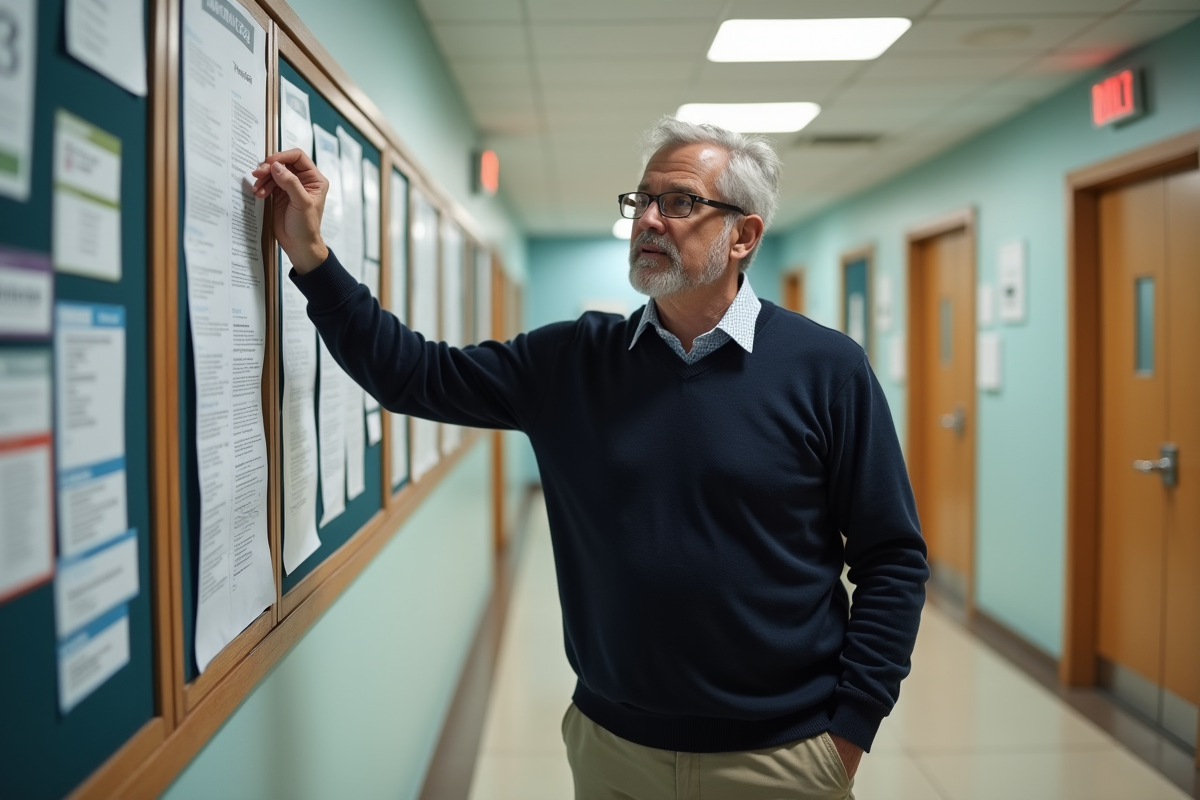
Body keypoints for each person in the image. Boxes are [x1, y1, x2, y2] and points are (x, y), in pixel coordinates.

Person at [252, 117, 928, 800]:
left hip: (782, 755)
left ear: (743, 237)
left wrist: (850, 731)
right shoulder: (571, 361)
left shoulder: (826, 369)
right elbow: (410, 375)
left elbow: (891, 556)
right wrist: (310, 255)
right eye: (643, 201)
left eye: (681, 203)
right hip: (614, 750)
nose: (650, 221)